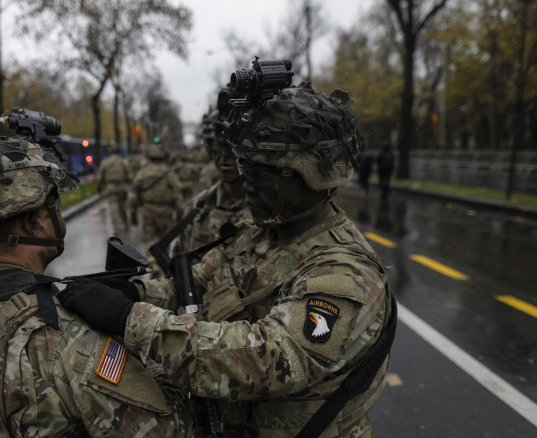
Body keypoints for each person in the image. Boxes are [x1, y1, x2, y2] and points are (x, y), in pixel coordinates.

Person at [59, 84, 395, 437]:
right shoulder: (262, 232)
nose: (245, 183)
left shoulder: (343, 272)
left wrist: (131, 320)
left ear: (311, 174)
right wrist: (134, 291)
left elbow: (270, 360)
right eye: (243, 168)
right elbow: (195, 282)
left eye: (260, 172)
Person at [0, 137, 192, 437]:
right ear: (33, 222)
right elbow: (168, 430)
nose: (58, 216)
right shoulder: (65, 337)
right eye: (53, 205)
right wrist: (153, 368)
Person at [172, 106, 251, 255]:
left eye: (232, 147)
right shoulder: (198, 208)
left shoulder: (269, 211)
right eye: (216, 146)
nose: (224, 156)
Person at [127, 144, 184, 273]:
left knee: (150, 237)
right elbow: (177, 193)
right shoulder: (169, 173)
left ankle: (152, 261)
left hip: (148, 211)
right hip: (166, 212)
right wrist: (180, 211)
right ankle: (164, 265)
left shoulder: (143, 173)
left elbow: (134, 194)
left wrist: (133, 213)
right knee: (165, 239)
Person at [96, 143, 131, 235]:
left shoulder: (105, 162)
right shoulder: (123, 161)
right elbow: (129, 175)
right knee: (122, 207)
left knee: (113, 208)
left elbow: (99, 176)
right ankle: (126, 223)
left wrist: (99, 186)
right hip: (122, 188)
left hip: (111, 188)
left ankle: (116, 229)